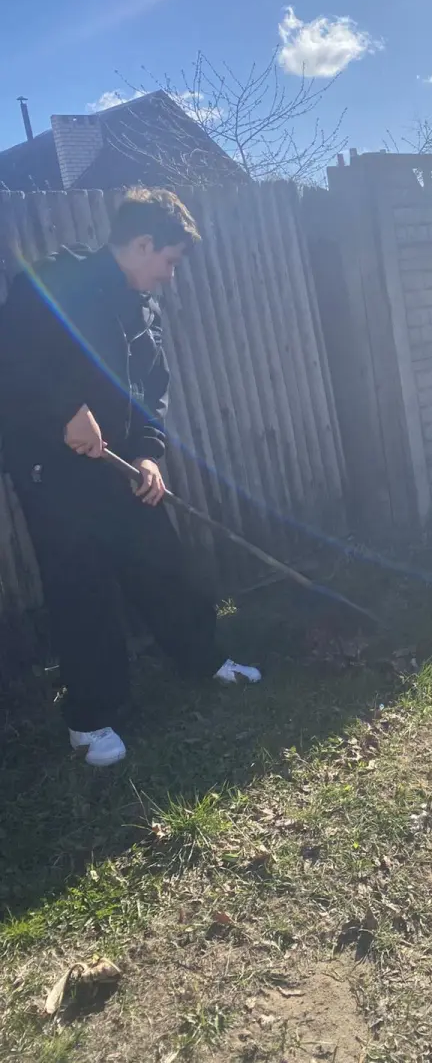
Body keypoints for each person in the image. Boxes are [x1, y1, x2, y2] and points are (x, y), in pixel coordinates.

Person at [0, 188, 261, 768]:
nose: (170, 275)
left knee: (162, 562)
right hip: (54, 471)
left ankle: (201, 658)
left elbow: (151, 392)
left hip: (120, 466)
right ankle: (89, 721)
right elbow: (14, 357)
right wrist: (66, 410)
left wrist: (148, 454)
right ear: (142, 244)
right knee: (83, 587)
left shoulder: (144, 309)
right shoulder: (55, 281)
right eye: (169, 260)